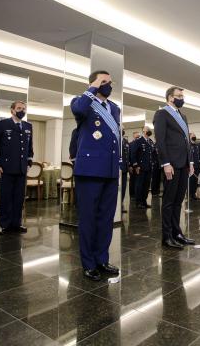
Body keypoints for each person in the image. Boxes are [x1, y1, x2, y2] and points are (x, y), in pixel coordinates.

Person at [70, 70, 120, 281]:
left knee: (105, 218)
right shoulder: (82, 102)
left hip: (109, 169)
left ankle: (101, 258)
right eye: (103, 82)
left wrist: (119, 163)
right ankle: (88, 263)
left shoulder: (115, 108)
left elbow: (115, 137)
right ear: (94, 83)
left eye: (110, 82)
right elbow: (80, 109)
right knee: (89, 218)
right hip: (90, 169)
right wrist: (93, 87)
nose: (108, 85)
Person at [153, 86, 195, 249]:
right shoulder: (162, 114)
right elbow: (161, 140)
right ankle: (167, 236)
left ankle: (177, 233)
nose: (181, 98)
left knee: (178, 201)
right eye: (179, 96)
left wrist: (190, 162)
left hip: (183, 163)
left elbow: (186, 141)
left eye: (182, 96)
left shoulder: (182, 116)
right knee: (169, 202)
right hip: (171, 163)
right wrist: (165, 163)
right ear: (170, 98)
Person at [0, 101, 34, 235]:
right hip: (6, 168)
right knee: (6, 198)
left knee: (19, 198)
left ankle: (16, 223)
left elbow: (29, 147)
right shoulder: (1, 125)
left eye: (24, 108)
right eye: (19, 108)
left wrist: (29, 162)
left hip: (21, 168)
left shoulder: (28, 126)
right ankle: (5, 225)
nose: (22, 110)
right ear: (12, 110)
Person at [130, 126, 154, 209]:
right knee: (139, 185)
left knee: (146, 186)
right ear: (144, 131)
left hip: (149, 167)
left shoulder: (150, 142)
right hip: (140, 167)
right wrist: (136, 165)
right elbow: (133, 154)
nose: (150, 131)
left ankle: (144, 201)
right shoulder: (139, 141)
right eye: (148, 130)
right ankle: (138, 202)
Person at [129, 131, 140, 200]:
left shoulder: (140, 144)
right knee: (132, 181)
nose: (138, 137)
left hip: (139, 166)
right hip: (132, 166)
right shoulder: (130, 144)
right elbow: (129, 155)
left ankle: (137, 195)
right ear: (133, 136)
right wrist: (130, 165)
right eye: (136, 136)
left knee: (138, 182)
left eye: (138, 136)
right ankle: (132, 195)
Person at [121, 130, 130, 213]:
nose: (123, 130)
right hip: (118, 168)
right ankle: (117, 205)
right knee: (119, 188)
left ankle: (121, 203)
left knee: (124, 187)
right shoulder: (116, 139)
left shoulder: (126, 141)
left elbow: (128, 155)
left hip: (125, 168)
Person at [189, 133, 200, 200]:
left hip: (197, 166)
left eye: (195, 136)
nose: (194, 137)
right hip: (191, 166)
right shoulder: (188, 145)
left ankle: (194, 194)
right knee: (191, 181)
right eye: (193, 136)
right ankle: (190, 194)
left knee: (195, 181)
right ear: (189, 137)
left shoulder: (196, 146)